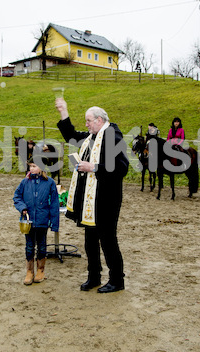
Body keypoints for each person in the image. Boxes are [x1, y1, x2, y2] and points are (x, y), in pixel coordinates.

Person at [55, 98, 129, 293]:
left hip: (106, 199)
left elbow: (122, 168)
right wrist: (64, 111)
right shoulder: (91, 137)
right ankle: (94, 276)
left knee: (108, 240)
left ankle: (117, 280)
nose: (86, 125)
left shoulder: (113, 136)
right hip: (90, 201)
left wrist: (93, 167)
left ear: (99, 120)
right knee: (90, 240)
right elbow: (71, 137)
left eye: (88, 121)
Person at [13, 157, 59, 285]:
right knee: (29, 246)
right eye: (30, 166)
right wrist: (22, 208)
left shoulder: (50, 183)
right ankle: (29, 271)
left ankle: (40, 270)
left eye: (34, 166)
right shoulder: (24, 182)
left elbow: (54, 204)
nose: (31, 168)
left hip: (43, 220)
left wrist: (54, 224)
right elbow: (17, 196)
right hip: (28, 221)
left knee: (42, 245)